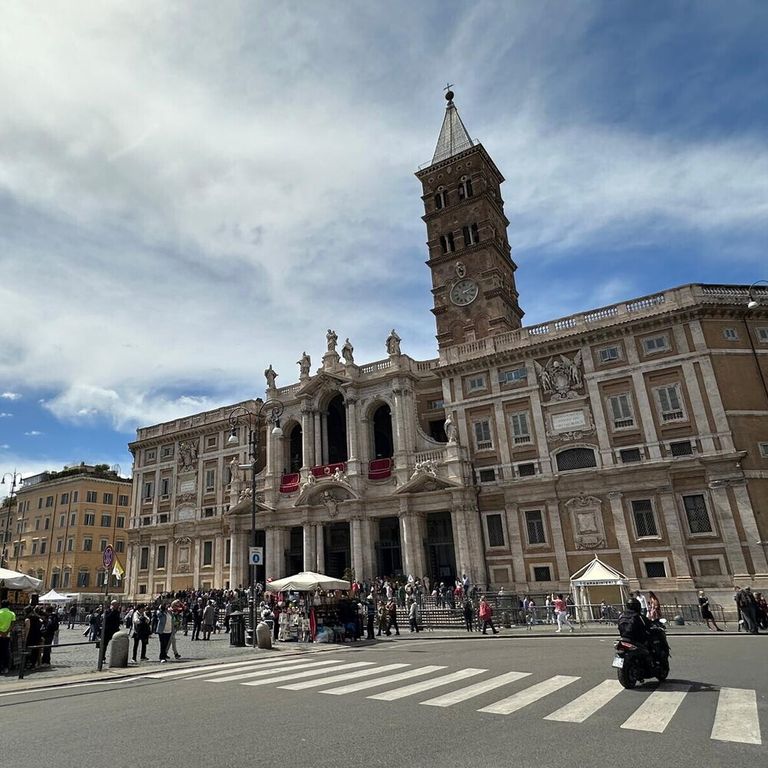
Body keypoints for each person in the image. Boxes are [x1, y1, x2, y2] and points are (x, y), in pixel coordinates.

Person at [0, 600, 17, 674]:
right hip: (7, 635)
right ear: (8, 606)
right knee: (6, 651)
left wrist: (1, 632)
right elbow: (12, 624)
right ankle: (5, 667)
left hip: (0, 634)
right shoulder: (12, 613)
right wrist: (6, 632)